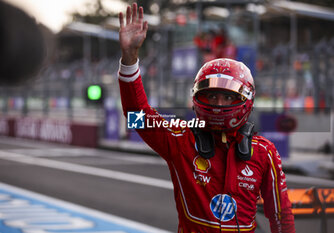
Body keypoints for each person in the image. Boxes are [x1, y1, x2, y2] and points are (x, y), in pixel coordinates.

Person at [118, 3, 295, 233]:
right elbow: (136, 116)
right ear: (197, 97)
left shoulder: (264, 153)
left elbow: (281, 217)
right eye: (211, 96)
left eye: (228, 97)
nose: (219, 104)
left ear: (247, 99)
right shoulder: (181, 140)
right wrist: (129, 58)